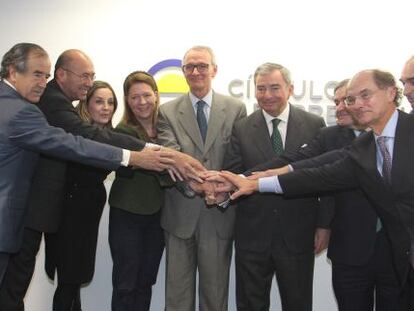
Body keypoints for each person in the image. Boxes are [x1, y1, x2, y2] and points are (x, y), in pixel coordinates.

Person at [0, 48, 203, 311]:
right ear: (13, 72)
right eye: (37, 74)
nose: (43, 82)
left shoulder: (20, 103)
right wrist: (136, 156)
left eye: (45, 75)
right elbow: (75, 143)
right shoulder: (24, 109)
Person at [218, 69, 414, 310]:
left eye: (365, 95)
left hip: (397, 254)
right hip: (386, 255)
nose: (356, 105)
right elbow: (315, 169)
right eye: (351, 99)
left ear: (391, 92)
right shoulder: (364, 146)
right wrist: (256, 182)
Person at [223, 62, 327, 311]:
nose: (267, 95)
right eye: (261, 88)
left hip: (298, 234)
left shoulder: (314, 124)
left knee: (298, 303)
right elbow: (235, 175)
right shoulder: (242, 128)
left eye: (274, 87)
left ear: (290, 89)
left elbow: (325, 178)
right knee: (250, 304)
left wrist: (324, 225)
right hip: (253, 235)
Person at [157, 45, 246, 311]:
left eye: (202, 66)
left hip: (219, 213)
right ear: (183, 72)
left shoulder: (236, 108)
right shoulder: (167, 111)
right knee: (177, 295)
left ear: (214, 70)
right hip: (180, 214)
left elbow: (238, 157)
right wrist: (197, 185)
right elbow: (169, 156)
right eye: (189, 67)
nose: (196, 72)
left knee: (215, 295)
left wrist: (218, 187)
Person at [45, 81, 119, 310]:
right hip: (65, 212)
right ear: (86, 105)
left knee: (74, 279)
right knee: (68, 279)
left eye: (110, 102)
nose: (106, 107)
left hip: (88, 210)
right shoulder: (74, 134)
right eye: (99, 101)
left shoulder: (111, 136)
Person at [108, 71, 168, 311]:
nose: (141, 102)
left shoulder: (168, 130)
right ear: (127, 100)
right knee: (125, 283)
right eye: (135, 97)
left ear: (156, 95)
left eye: (146, 95)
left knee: (146, 281)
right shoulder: (122, 132)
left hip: (157, 217)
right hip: (127, 216)